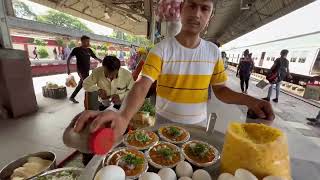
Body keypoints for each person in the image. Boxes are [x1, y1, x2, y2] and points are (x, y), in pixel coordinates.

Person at [74, 0, 274, 141]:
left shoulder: (213, 52)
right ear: (182, 9)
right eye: (192, 6)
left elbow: (221, 90)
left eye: (204, 9)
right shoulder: (161, 49)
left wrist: (253, 101)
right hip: (163, 123)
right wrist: (124, 117)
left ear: (210, 17)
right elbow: (143, 85)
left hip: (198, 126)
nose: (197, 13)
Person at [67, 35, 102, 104]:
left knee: (81, 84)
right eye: (87, 41)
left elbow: (95, 57)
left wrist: (100, 60)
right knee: (89, 84)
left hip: (86, 70)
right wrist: (68, 69)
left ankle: (72, 97)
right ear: (82, 41)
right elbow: (69, 58)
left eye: (89, 41)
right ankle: (95, 100)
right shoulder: (76, 49)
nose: (88, 43)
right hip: (80, 71)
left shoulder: (89, 50)